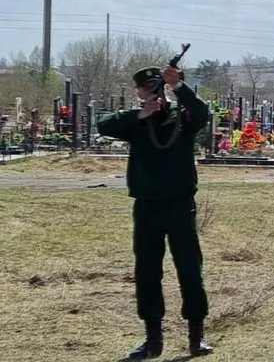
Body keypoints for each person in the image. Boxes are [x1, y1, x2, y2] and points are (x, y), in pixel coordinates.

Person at [96, 66, 213, 359]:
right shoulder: (135, 122)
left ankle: (196, 336)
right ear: (140, 92)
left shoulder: (181, 117)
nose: (155, 92)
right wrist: (139, 114)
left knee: (189, 269)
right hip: (147, 205)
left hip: (179, 204)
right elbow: (103, 126)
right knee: (147, 271)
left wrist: (180, 86)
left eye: (158, 87)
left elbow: (203, 114)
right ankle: (152, 339)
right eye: (149, 88)